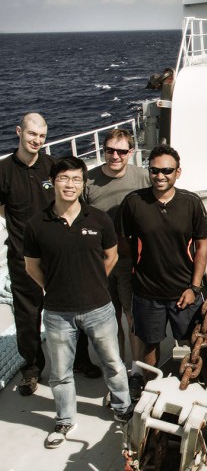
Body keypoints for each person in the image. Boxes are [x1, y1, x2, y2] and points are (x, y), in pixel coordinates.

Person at [23, 157, 132, 449]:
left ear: (83, 184)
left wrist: (94, 282)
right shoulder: (37, 224)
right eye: (64, 178)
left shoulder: (99, 219)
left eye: (76, 179)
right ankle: (64, 419)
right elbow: (32, 267)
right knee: (60, 372)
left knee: (113, 363)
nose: (70, 185)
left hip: (99, 307)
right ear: (53, 182)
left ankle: (122, 408)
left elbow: (111, 256)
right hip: (58, 313)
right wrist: (55, 288)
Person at [0, 113, 97, 397]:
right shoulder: (3, 171)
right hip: (22, 258)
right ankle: (31, 370)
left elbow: (71, 198)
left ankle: (79, 360)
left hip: (59, 256)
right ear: (19, 132)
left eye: (41, 136)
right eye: (31, 134)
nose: (36, 141)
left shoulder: (53, 167)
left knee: (71, 311)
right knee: (28, 316)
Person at [116, 145, 207, 383]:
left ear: (178, 172)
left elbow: (201, 247)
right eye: (155, 170)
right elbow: (124, 243)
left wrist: (195, 287)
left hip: (184, 292)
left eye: (167, 170)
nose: (160, 176)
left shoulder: (191, 203)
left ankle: (200, 380)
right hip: (147, 293)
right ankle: (150, 384)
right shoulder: (133, 203)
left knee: (195, 340)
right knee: (150, 342)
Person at [84, 129, 151, 397]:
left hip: (130, 260)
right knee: (106, 319)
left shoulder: (143, 177)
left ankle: (135, 371)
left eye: (121, 151)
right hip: (97, 262)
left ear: (131, 153)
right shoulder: (88, 181)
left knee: (131, 314)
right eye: (110, 150)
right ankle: (117, 369)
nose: (115, 155)